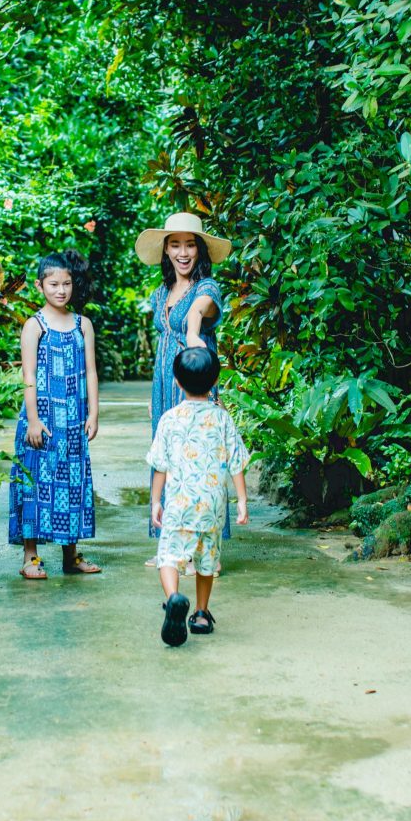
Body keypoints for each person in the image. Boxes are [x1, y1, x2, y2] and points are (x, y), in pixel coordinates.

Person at [134, 212, 233, 560]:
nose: (183, 252)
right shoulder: (161, 293)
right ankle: (170, 542)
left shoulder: (207, 287)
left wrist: (194, 332)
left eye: (190, 244)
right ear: (165, 251)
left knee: (197, 462)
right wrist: (153, 392)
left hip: (195, 385)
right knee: (166, 459)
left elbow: (199, 311)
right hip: (164, 387)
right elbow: (163, 342)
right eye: (175, 244)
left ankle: (203, 548)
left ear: (200, 250)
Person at [147, 347, 249, 646]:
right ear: (215, 379)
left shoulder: (169, 418)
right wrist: (241, 501)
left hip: (179, 502)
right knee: (207, 560)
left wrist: (156, 502)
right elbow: (236, 462)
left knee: (168, 555)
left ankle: (173, 598)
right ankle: (202, 613)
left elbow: (160, 466)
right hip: (212, 505)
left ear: (177, 382)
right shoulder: (222, 419)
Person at [9, 250, 102, 579]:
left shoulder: (83, 324)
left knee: (71, 483)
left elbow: (91, 371)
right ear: (40, 285)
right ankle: (30, 556)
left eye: (66, 283)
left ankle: (71, 555)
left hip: (74, 420)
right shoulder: (34, 326)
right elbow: (29, 376)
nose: (61, 290)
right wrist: (33, 419)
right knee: (35, 482)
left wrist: (94, 412)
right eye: (53, 284)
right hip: (43, 421)